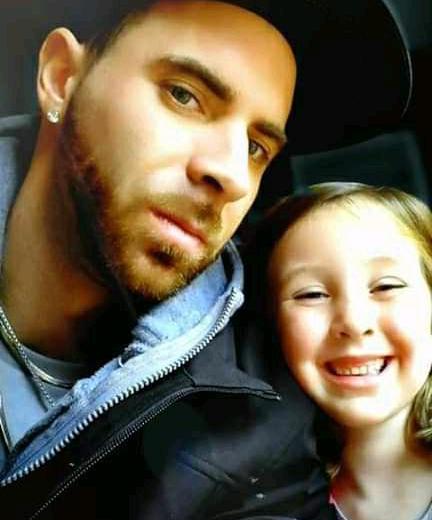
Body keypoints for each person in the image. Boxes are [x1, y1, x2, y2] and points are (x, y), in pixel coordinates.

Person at [0, 1, 412, 518]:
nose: (233, 175)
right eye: (184, 95)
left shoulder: (257, 422)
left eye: (257, 147)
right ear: (61, 78)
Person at [249, 182, 432, 520]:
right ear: (272, 327)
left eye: (387, 286)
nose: (354, 322)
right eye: (311, 294)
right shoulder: (245, 503)